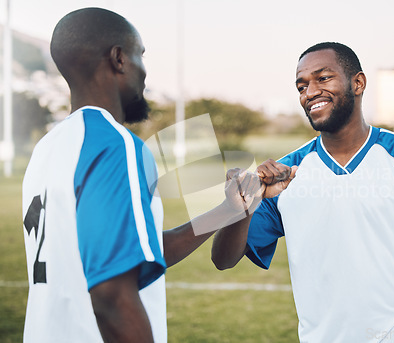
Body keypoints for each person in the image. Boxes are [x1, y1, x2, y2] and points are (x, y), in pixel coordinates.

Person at [21, 7, 292, 343]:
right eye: (141, 57)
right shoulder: (113, 144)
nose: (145, 73)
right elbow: (112, 295)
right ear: (119, 59)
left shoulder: (49, 148)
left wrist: (227, 211)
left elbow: (134, 250)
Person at [211, 42, 394, 342]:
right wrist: (241, 209)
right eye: (301, 86)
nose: (309, 93)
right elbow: (223, 259)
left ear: (358, 83)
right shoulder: (286, 176)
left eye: (323, 78)